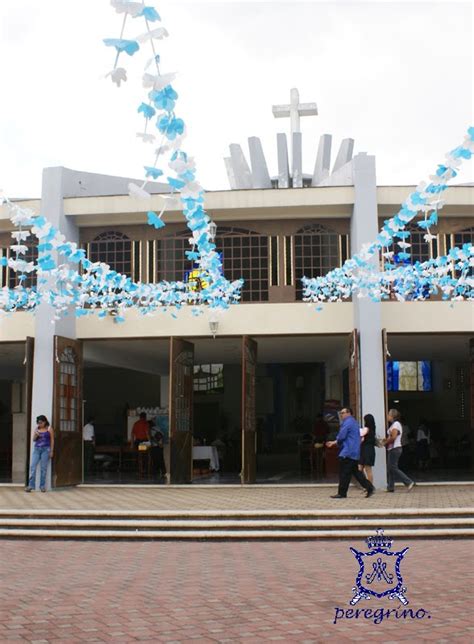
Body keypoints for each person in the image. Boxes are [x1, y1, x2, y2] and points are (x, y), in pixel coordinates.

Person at [326, 408, 375, 499]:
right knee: (356, 473)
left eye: (343, 413)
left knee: (344, 473)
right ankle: (369, 488)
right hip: (353, 452)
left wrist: (335, 442)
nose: (341, 415)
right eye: (340, 413)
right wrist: (334, 442)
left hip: (347, 452)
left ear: (349, 413)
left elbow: (342, 436)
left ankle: (342, 493)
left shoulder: (347, 423)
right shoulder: (354, 422)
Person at [384, 408, 415, 493]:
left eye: (388, 414)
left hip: (395, 448)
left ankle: (408, 482)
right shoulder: (393, 425)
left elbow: (393, 437)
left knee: (393, 467)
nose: (387, 416)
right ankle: (390, 487)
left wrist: (385, 442)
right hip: (393, 448)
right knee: (390, 468)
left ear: (392, 416)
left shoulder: (396, 424)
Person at [25, 415, 54, 493]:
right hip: (37, 449)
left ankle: (42, 486)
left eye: (40, 422)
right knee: (33, 466)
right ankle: (31, 485)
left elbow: (52, 440)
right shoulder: (37, 429)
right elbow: (34, 440)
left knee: (43, 468)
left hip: (46, 449)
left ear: (44, 422)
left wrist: (51, 451)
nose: (39, 424)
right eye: (38, 423)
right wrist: (36, 435)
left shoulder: (49, 429)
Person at [358, 413, 376, 485]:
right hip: (369, 450)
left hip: (366, 450)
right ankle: (366, 485)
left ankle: (369, 486)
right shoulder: (372, 429)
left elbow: (360, 434)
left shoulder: (366, 429)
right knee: (362, 468)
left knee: (366, 469)